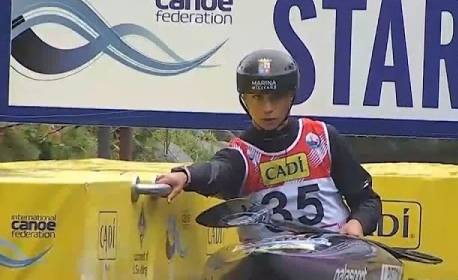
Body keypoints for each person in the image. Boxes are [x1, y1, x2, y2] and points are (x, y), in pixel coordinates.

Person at [155, 49, 382, 241]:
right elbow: (217, 171)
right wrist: (186, 176)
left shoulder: (322, 138)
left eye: (276, 98)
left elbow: (367, 201)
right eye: (256, 98)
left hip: (330, 248)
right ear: (244, 99)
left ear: (292, 96)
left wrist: (356, 225)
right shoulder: (242, 155)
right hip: (269, 256)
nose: (267, 108)